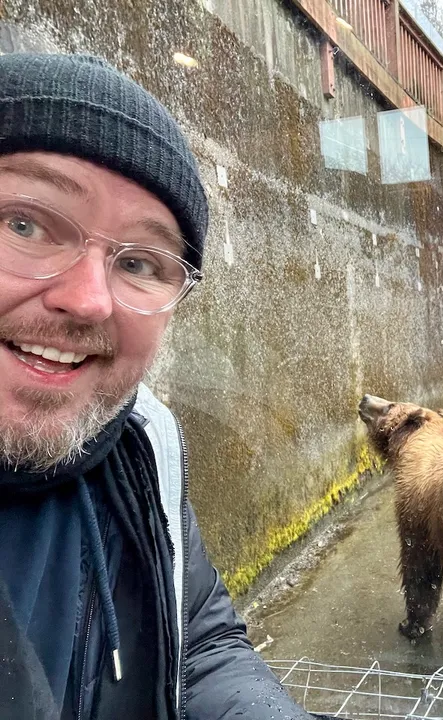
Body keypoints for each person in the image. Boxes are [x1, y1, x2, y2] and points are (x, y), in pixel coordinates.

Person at [0, 52, 327, 720]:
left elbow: (195, 637)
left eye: (141, 262)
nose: (89, 301)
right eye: (25, 223)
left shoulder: (141, 443)